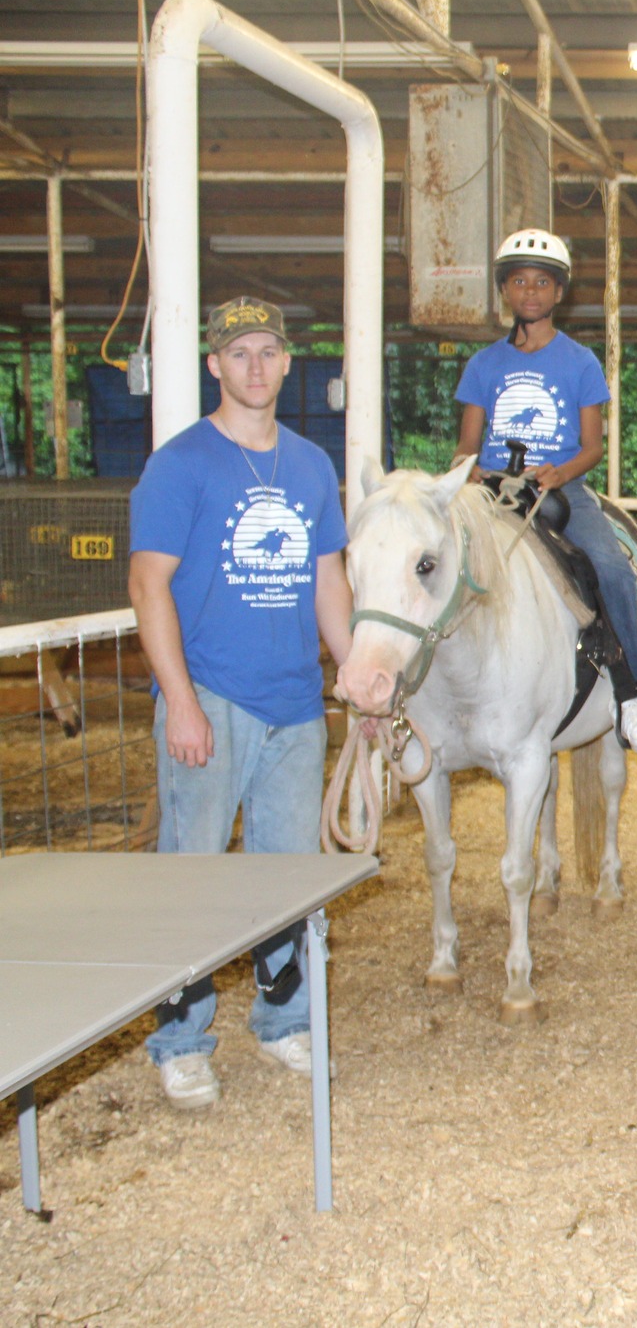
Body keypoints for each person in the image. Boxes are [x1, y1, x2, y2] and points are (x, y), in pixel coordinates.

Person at [127, 297, 352, 1110]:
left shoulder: (309, 465)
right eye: (239, 353)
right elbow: (148, 584)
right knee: (191, 873)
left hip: (293, 701)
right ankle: (180, 1040)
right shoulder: (180, 464)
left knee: (286, 875)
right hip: (213, 694)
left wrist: (354, 667)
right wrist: (179, 702)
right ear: (214, 365)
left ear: (288, 361)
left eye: (268, 351)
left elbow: (329, 577)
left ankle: (283, 1017)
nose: (256, 366)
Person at [453, 228, 637, 754]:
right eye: (519, 281)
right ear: (505, 290)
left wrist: (560, 473)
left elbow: (593, 447)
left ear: (559, 292)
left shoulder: (579, 362)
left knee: (612, 569)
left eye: (542, 282)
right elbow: (464, 447)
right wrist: (470, 470)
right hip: (492, 493)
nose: (531, 291)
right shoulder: (483, 366)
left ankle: (632, 692)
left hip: (559, 488)